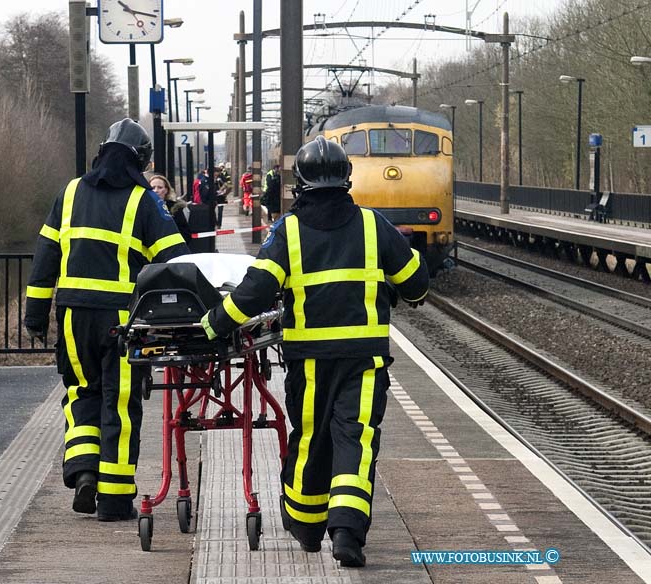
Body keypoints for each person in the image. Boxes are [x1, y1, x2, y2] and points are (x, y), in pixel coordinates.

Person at [200, 136, 429, 567]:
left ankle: (307, 527)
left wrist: (214, 323)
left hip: (309, 362)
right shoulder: (372, 225)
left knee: (309, 440)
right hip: (363, 360)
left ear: (299, 184)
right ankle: (347, 533)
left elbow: (254, 292)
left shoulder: (287, 231)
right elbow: (416, 284)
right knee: (355, 440)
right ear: (347, 179)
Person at [23, 119, 190, 522]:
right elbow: (175, 261)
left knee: (82, 391)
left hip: (72, 317)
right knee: (119, 404)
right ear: (141, 162)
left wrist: (34, 317)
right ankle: (114, 500)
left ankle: (83, 471)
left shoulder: (70, 192)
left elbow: (44, 259)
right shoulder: (142, 200)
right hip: (121, 323)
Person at [150, 174, 192, 241]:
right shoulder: (143, 208)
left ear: (166, 190)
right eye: (152, 188)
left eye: (160, 187)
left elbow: (185, 234)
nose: (156, 190)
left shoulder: (175, 208)